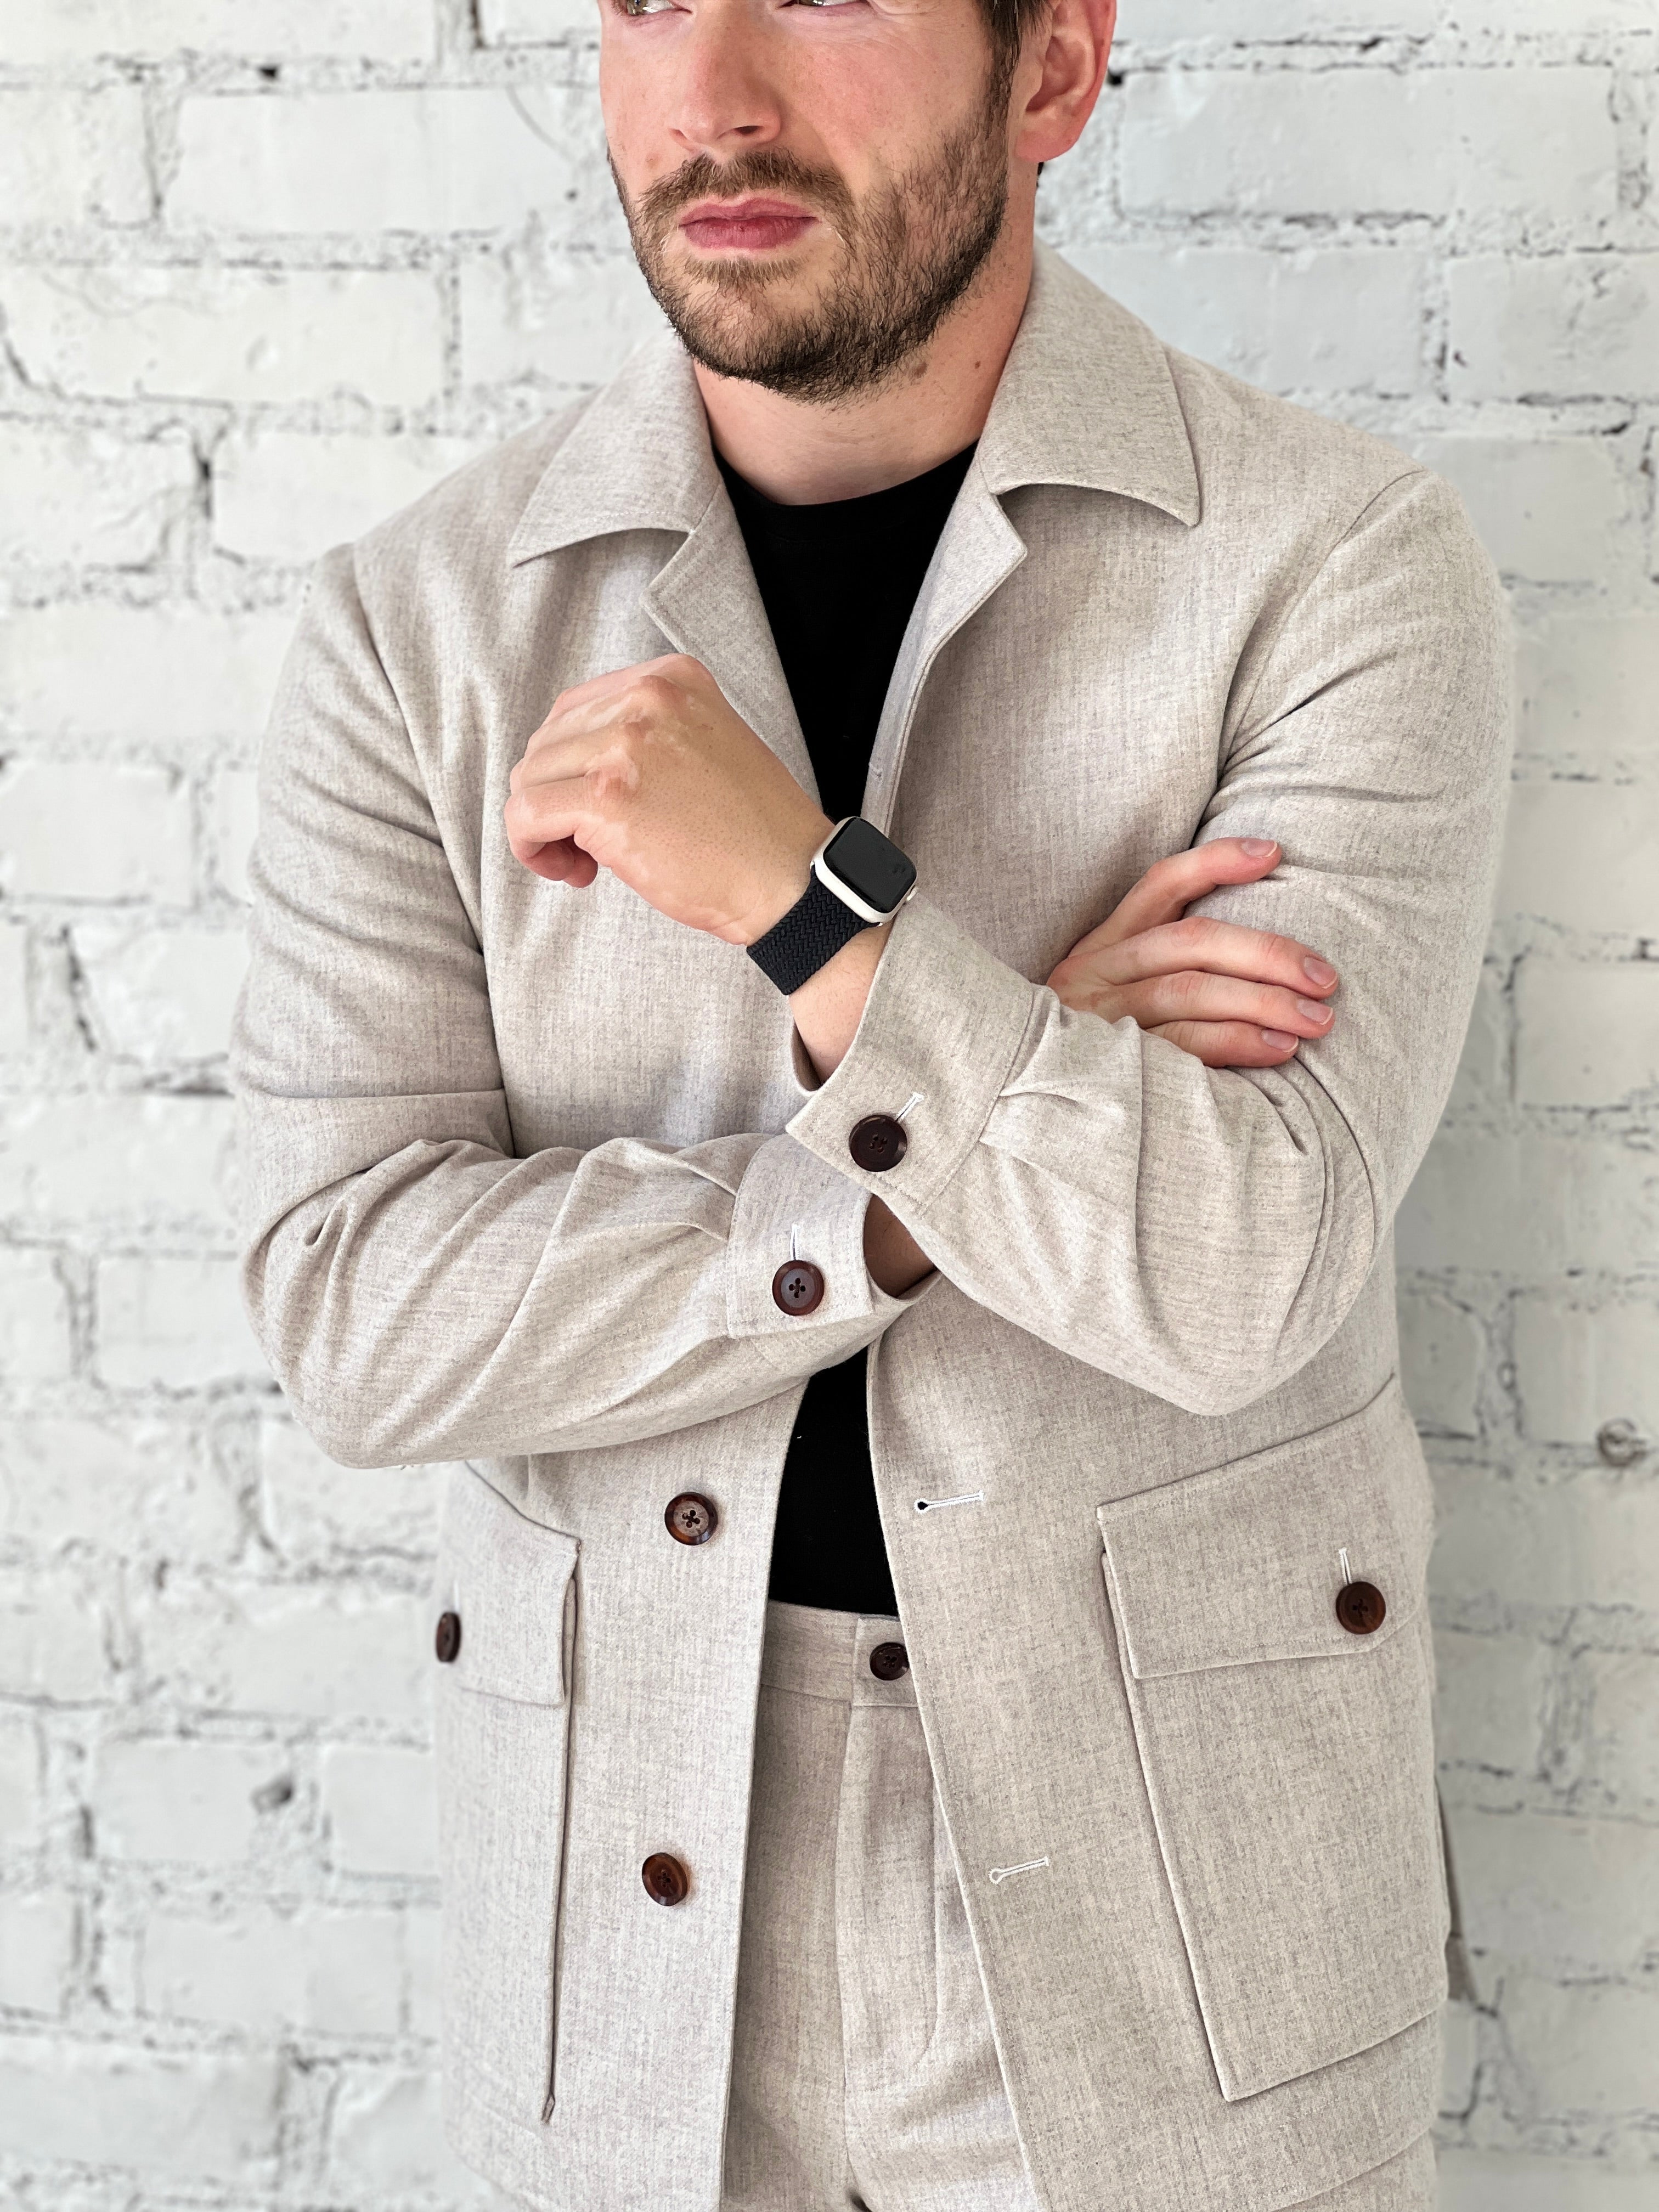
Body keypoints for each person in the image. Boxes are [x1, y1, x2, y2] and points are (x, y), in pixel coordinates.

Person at [232, 0, 1511, 2205]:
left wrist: (811, 914)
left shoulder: (1328, 561)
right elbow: (353, 1310)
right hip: (619, 1903)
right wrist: (929, 1143)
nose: (715, 92)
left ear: (1053, 71)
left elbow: (1236, 1273)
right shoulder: (415, 627)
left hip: (1179, 1929)